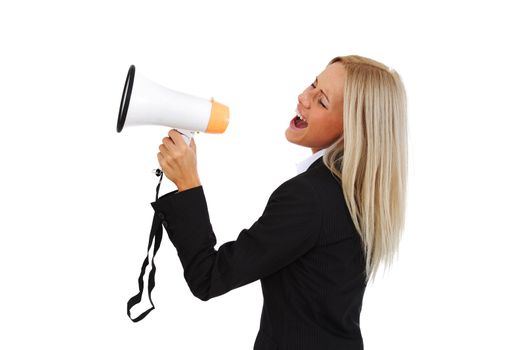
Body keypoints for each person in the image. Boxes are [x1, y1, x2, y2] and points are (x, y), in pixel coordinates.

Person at [155, 54, 408, 350]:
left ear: (351, 129)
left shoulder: (309, 198)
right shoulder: (357, 193)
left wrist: (188, 185)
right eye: (313, 84)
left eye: (322, 100)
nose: (303, 97)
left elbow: (208, 277)